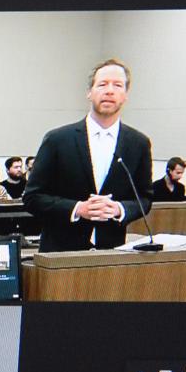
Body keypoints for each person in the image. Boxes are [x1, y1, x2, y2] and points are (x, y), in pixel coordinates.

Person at [23, 58, 153, 252]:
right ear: (89, 92)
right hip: (60, 253)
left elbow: (144, 198)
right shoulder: (57, 139)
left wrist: (119, 209)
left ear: (125, 95)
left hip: (111, 254)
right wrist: (77, 209)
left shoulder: (139, 143)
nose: (109, 90)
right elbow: (33, 197)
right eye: (102, 84)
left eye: (117, 85)